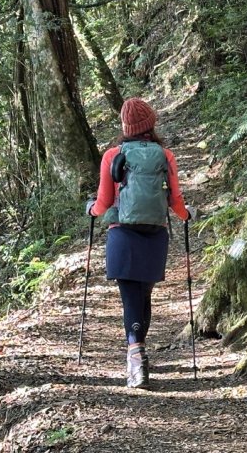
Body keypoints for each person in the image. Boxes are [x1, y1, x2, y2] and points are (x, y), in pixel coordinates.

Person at [86, 97, 190, 389]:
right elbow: (175, 200)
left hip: (123, 235)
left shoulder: (113, 155)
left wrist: (91, 209)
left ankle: (136, 361)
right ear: (151, 124)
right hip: (155, 234)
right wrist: (187, 215)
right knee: (144, 297)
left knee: (131, 298)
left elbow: (104, 202)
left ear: (125, 127)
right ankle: (139, 355)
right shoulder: (165, 155)